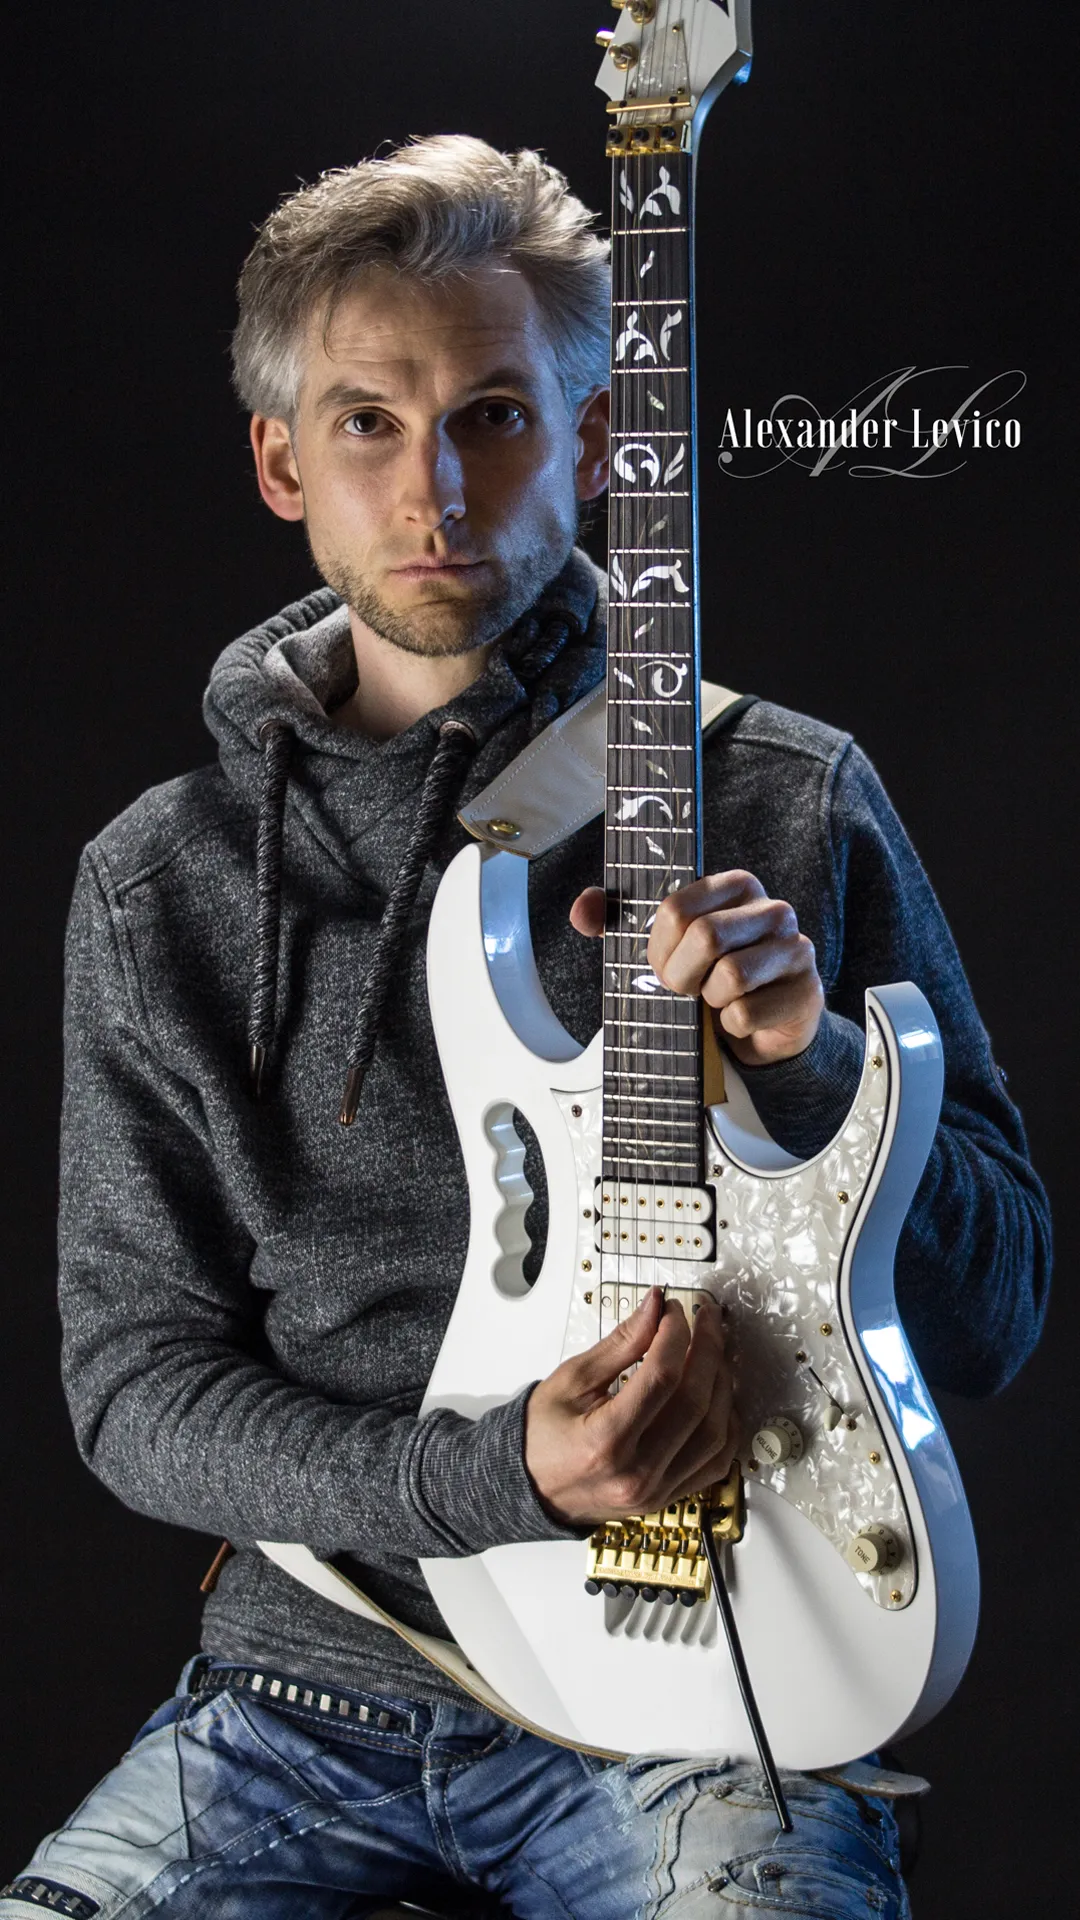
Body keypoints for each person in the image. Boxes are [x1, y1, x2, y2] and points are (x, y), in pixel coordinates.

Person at [2, 135, 1049, 1920]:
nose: (436, 491)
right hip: (304, 1697)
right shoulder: (157, 885)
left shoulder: (786, 796)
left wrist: (811, 1069)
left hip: (725, 1694)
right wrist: (497, 1481)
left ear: (596, 439)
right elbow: (133, 1388)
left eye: (493, 416)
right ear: (281, 460)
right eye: (368, 422)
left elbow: (998, 1309)